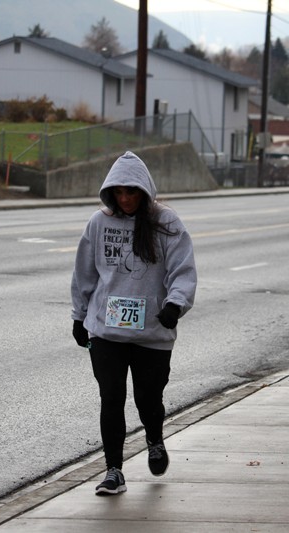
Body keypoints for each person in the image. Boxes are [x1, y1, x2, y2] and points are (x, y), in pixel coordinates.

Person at [70, 151, 197, 496]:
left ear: (144, 190)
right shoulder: (99, 223)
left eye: (132, 192)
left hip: (152, 332)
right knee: (111, 396)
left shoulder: (166, 222)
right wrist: (79, 317)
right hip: (106, 330)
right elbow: (84, 272)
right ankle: (113, 470)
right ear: (111, 191)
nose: (125, 199)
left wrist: (175, 304)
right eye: (119, 192)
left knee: (147, 399)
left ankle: (154, 438)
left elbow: (183, 269)